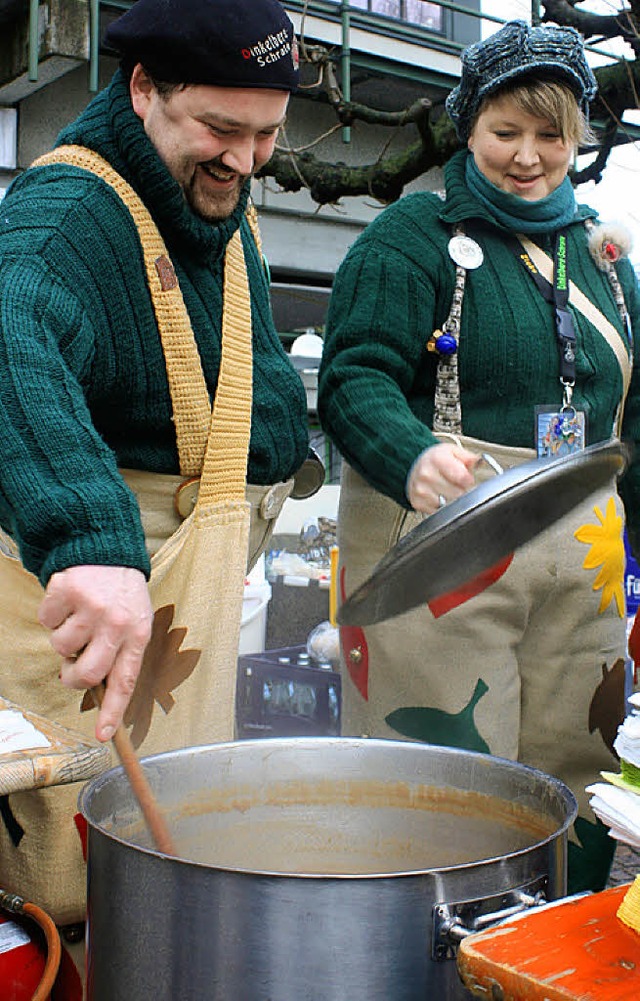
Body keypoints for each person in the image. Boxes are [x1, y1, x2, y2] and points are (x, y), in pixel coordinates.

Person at [0, 0, 312, 925]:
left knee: (165, 846)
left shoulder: (216, 201)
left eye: (265, 135)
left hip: (195, 590)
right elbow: (9, 335)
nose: (245, 159)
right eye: (220, 127)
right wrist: (89, 539)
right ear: (142, 88)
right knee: (68, 876)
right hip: (93, 589)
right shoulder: (68, 210)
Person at [318, 19, 640, 895]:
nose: (528, 156)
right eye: (506, 132)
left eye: (551, 135)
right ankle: (428, 962)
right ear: (468, 126)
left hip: (587, 553)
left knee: (582, 763)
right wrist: (413, 455)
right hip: (444, 545)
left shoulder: (607, 257)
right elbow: (353, 378)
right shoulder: (412, 235)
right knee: (443, 776)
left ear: (578, 138)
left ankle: (544, 950)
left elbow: (635, 418)